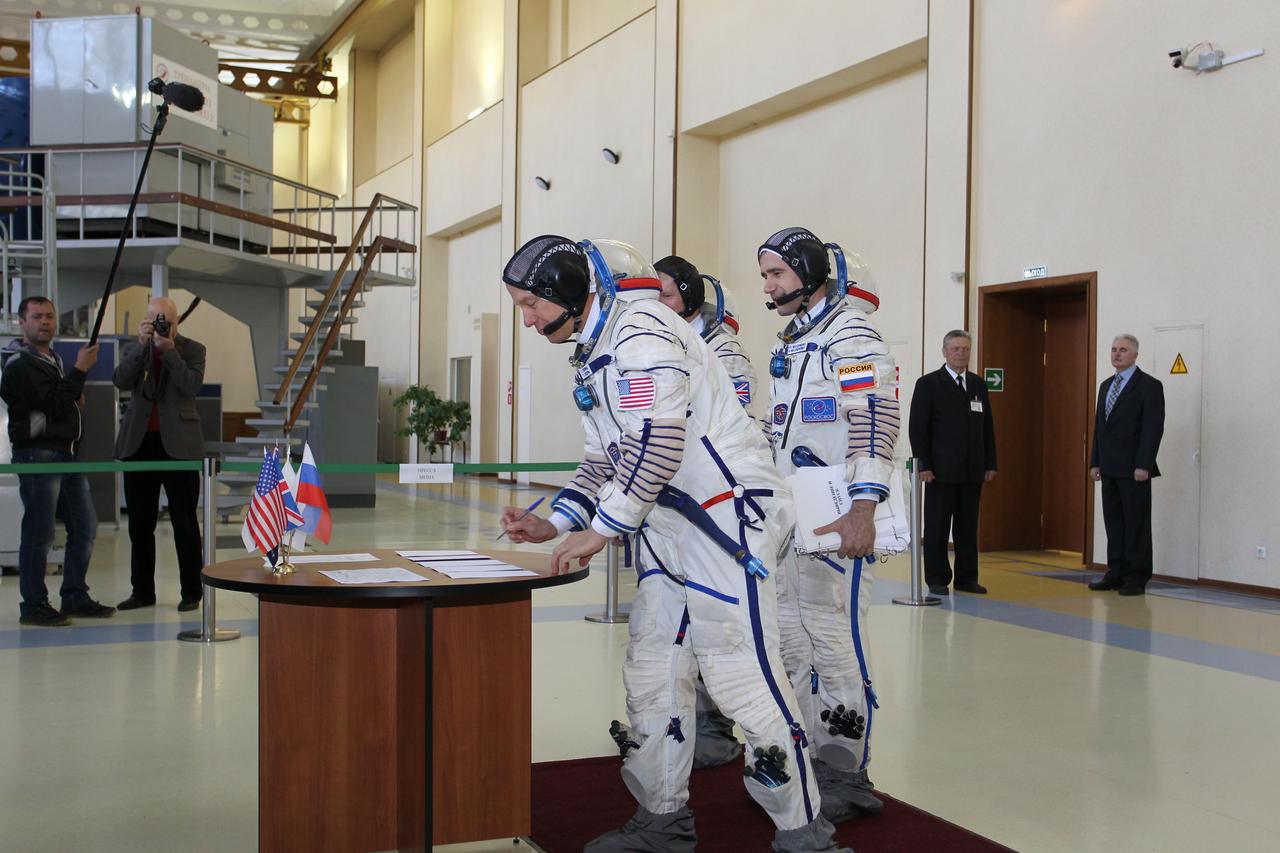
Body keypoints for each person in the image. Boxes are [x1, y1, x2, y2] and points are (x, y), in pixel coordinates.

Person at [500, 236, 845, 853]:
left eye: (531, 304)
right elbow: (604, 458)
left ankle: (803, 830)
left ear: (567, 291)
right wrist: (554, 522)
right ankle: (663, 817)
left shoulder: (642, 336)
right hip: (668, 526)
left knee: (739, 670)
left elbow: (659, 443)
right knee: (654, 667)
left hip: (726, 521)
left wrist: (601, 530)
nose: (527, 319)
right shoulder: (597, 351)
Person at [762, 227, 897, 823]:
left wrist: (864, 506)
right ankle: (813, 753)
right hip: (794, 516)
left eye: (778, 274)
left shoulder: (851, 337)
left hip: (840, 515)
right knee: (794, 639)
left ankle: (847, 770)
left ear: (812, 274)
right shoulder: (795, 345)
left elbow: (875, 420)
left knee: (837, 642)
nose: (768, 285)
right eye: (766, 274)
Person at [654, 254, 761, 770]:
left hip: (719, 507)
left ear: (692, 298)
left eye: (668, 295)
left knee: (718, 621)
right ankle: (686, 720)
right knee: (674, 623)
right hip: (671, 505)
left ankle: (718, 724)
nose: (658, 305)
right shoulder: (658, 345)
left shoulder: (723, 352)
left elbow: (732, 426)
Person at [0, 296, 115, 626]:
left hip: (68, 453)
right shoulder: (20, 364)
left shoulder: (52, 360)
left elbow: (62, 400)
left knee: (84, 525)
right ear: (22, 323)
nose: (45, 322)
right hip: (39, 454)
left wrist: (72, 382)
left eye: (49, 316)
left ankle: (74, 594)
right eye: (36, 317)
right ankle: (33, 604)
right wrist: (79, 371)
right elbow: (51, 404)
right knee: (39, 531)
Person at [113, 296, 208, 612]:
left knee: (184, 521)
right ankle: (142, 591)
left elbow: (190, 386)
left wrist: (170, 353)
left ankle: (192, 592)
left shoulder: (192, 349)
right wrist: (143, 348)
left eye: (164, 319)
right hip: (139, 444)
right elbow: (121, 380)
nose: (159, 325)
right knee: (139, 523)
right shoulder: (134, 348)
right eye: (154, 319)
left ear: (176, 321)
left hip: (179, 445)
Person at [908, 330, 997, 596]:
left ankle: (967, 578)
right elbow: (918, 428)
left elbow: (988, 427)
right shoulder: (928, 384)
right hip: (939, 471)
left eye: (966, 349)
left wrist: (990, 462)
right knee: (936, 527)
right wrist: (923, 465)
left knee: (967, 527)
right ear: (945, 352)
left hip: (972, 470)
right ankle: (937, 578)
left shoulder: (978, 385)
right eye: (956, 349)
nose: (961, 353)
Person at [1089, 334, 1164, 596]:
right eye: (1113, 349)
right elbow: (1100, 427)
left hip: (1134, 470)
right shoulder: (1106, 385)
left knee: (1136, 524)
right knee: (1114, 522)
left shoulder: (1149, 386)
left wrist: (1143, 464)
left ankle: (1137, 575)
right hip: (1109, 467)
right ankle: (1116, 571)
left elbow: (1152, 429)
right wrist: (1095, 461)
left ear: (1135, 354)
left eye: (1122, 350)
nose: (1116, 354)